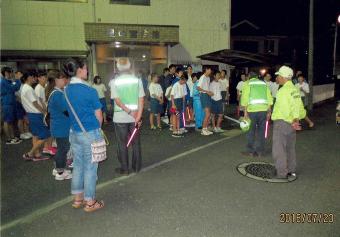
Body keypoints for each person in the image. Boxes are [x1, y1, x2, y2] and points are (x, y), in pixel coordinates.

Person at [63, 58, 104, 212]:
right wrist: (97, 131)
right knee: (90, 169)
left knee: (78, 166)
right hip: (90, 133)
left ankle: (77, 199)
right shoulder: (90, 91)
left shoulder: (66, 90)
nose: (87, 71)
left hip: (74, 133)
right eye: (86, 68)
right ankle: (90, 202)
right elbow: (99, 116)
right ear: (79, 70)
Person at [111, 58, 145, 175]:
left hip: (120, 117)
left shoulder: (114, 81)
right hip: (135, 117)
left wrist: (129, 112)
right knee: (136, 143)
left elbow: (118, 101)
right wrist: (138, 116)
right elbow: (141, 99)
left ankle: (125, 169)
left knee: (122, 143)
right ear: (129, 66)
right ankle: (136, 167)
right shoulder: (137, 80)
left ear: (119, 67)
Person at [271, 66, 306, 179]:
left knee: (279, 149)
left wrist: (291, 120)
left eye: (279, 75)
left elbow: (285, 109)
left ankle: (281, 173)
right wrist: (296, 119)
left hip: (282, 122)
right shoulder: (295, 90)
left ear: (284, 77)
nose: (277, 77)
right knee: (290, 148)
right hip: (293, 124)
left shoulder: (283, 91)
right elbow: (300, 109)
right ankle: (291, 170)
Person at [46, 70, 72, 181]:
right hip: (61, 127)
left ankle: (57, 168)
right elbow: (66, 111)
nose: (65, 80)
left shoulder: (55, 92)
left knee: (61, 148)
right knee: (63, 148)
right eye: (63, 78)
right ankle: (60, 172)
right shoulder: (57, 94)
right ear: (56, 80)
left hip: (58, 126)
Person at [241, 71, 273, 157]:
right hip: (263, 110)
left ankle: (250, 151)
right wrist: (269, 111)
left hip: (252, 111)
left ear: (249, 77)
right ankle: (260, 151)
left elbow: (245, 99)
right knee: (262, 131)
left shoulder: (248, 83)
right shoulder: (263, 84)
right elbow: (269, 97)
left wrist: (245, 113)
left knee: (250, 131)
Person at [21, 71, 51, 161]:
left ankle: (37, 154)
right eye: (34, 77)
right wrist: (44, 112)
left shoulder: (26, 88)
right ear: (29, 77)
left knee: (35, 135)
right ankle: (30, 153)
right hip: (35, 114)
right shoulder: (28, 89)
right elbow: (35, 103)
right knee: (46, 134)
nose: (35, 79)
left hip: (32, 114)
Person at [0, 66, 22, 144]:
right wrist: (18, 79)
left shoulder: (6, 81)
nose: (12, 74)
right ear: (6, 73)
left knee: (10, 121)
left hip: (10, 103)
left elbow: (14, 87)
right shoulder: (3, 81)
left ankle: (13, 137)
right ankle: (9, 139)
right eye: (10, 73)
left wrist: (15, 80)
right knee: (7, 121)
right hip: (7, 103)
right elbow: (14, 88)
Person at [35, 71, 55, 155]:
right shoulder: (39, 88)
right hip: (45, 112)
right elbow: (41, 101)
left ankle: (47, 147)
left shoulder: (44, 87)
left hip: (46, 111)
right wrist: (45, 111)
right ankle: (47, 148)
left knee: (49, 131)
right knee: (47, 132)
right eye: (42, 78)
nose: (44, 79)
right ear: (38, 78)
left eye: (45, 78)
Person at [14, 71, 32, 140]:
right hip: (19, 103)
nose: (20, 75)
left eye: (21, 74)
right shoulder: (15, 83)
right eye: (18, 74)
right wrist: (22, 102)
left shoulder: (23, 83)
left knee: (26, 117)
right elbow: (16, 96)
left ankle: (27, 131)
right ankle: (22, 133)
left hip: (25, 103)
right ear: (16, 75)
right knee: (20, 119)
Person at [197, 66, 214, 136]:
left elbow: (206, 87)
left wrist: (210, 92)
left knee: (209, 113)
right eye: (210, 69)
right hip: (203, 96)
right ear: (206, 70)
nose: (210, 71)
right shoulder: (202, 77)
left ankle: (206, 128)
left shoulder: (208, 78)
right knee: (207, 114)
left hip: (207, 95)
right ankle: (203, 130)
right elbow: (198, 87)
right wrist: (207, 92)